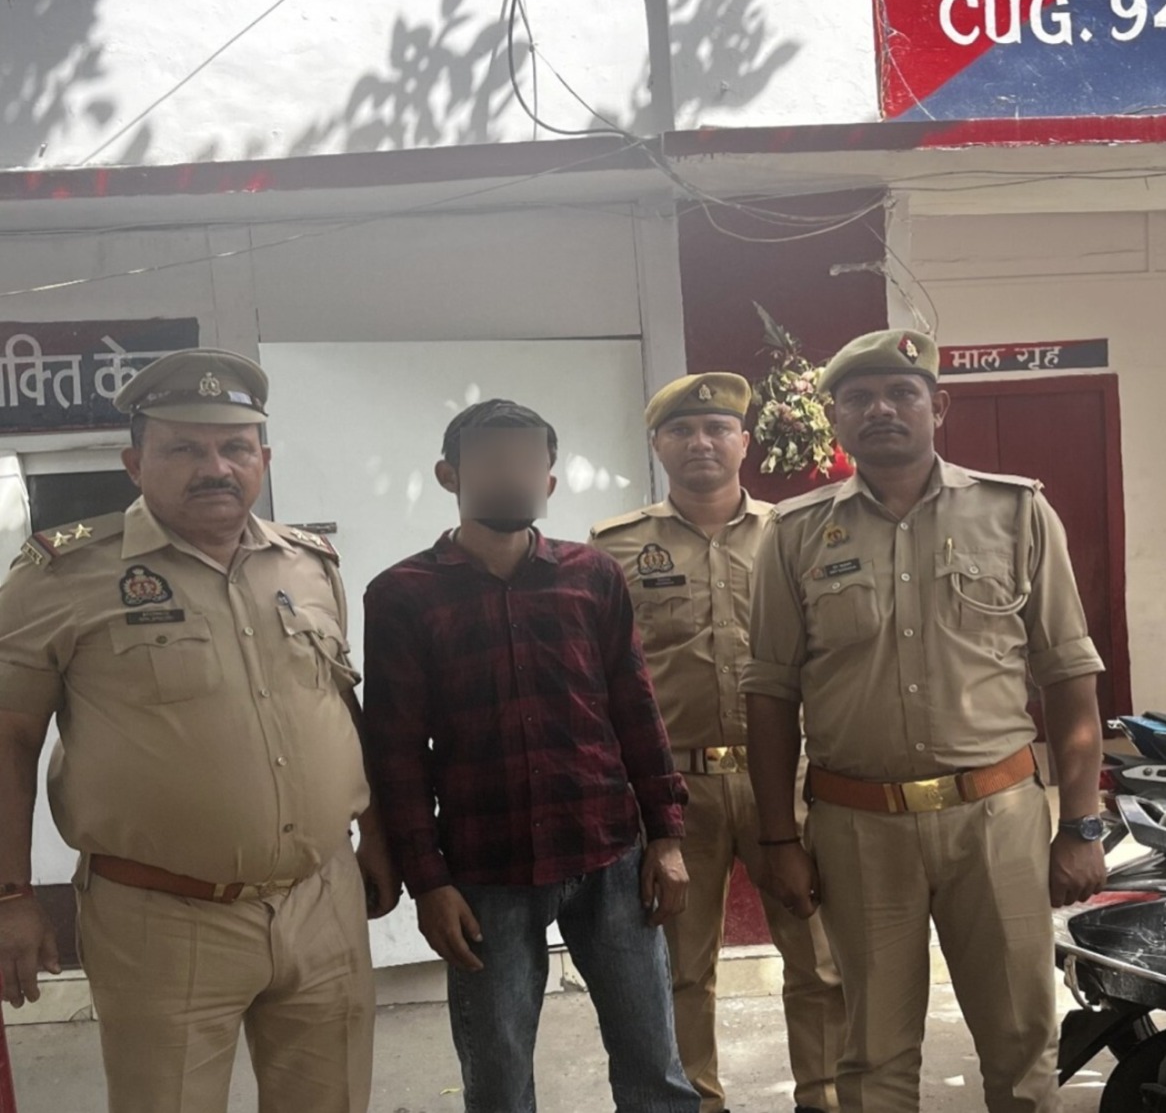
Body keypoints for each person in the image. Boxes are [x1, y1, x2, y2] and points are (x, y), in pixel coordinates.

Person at [0, 348, 398, 1113]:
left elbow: (336, 705)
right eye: (184, 447)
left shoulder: (310, 565)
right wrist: (11, 893)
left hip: (322, 900)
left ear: (263, 460)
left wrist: (375, 835)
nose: (214, 467)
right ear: (134, 463)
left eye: (234, 447)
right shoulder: (61, 575)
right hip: (160, 915)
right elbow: (9, 738)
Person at [742, 329, 1107, 1113]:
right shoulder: (796, 533)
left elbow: (1068, 673)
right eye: (859, 397)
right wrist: (778, 838)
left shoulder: (1017, 512)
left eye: (901, 393)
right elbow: (769, 694)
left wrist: (1082, 824)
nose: (881, 408)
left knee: (1022, 1044)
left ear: (937, 407)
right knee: (872, 1054)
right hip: (857, 827)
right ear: (837, 418)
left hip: (996, 819)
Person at [362, 398, 700, 1113]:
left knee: (655, 1068)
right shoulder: (401, 596)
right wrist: (429, 882)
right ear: (450, 474)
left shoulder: (592, 576)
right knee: (498, 1080)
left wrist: (666, 837)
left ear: (548, 479)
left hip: (609, 856)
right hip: (485, 871)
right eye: (491, 460)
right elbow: (394, 752)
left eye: (527, 462)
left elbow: (636, 709)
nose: (511, 474)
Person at [591, 372, 843, 1113]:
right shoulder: (614, 549)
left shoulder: (796, 533)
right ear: (658, 444)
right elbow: (598, 676)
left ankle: (825, 1095)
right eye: (682, 430)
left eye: (717, 429)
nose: (700, 442)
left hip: (786, 778)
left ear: (744, 441)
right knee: (678, 966)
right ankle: (696, 1100)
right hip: (673, 789)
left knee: (820, 958)